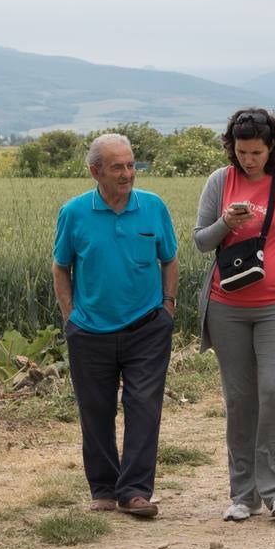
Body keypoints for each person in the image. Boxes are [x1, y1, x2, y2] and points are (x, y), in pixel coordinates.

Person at [194, 108, 275, 522]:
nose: (248, 159)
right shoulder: (220, 181)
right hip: (227, 307)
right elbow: (201, 241)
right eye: (241, 151)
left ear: (273, 147)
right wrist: (225, 222)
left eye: (256, 152)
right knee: (239, 400)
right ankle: (244, 494)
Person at [52, 134, 178, 518]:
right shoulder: (74, 212)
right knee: (96, 410)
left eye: (131, 165)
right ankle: (104, 488)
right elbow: (61, 266)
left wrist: (168, 307)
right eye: (118, 167)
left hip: (147, 327)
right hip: (90, 330)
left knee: (144, 407)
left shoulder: (153, 207)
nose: (127, 174)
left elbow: (169, 260)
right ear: (95, 171)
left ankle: (136, 492)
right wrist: (70, 315)